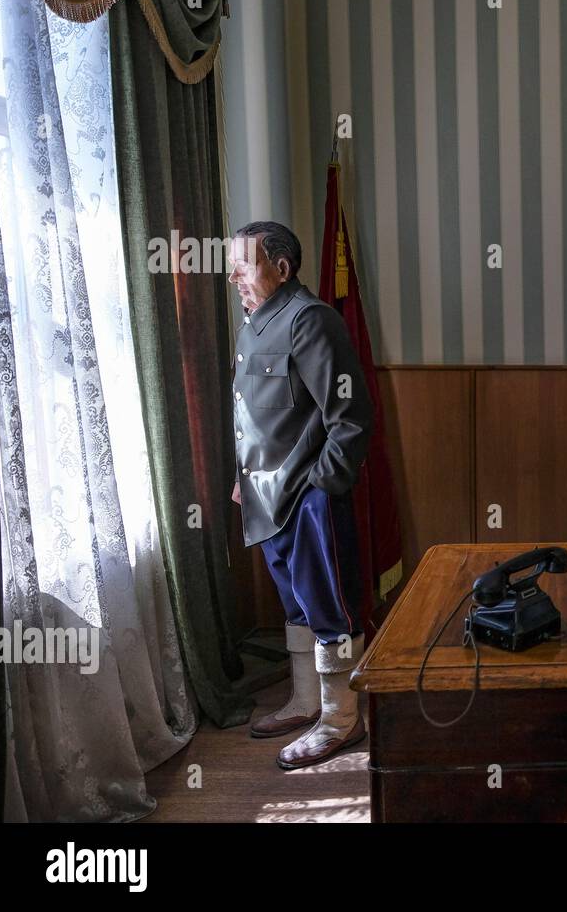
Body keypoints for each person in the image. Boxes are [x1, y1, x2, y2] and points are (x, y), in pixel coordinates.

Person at [227, 221, 374, 769]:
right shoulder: (253, 323)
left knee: (329, 607)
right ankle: (306, 701)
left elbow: (352, 416)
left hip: (308, 498)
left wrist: (322, 488)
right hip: (263, 494)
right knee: (295, 605)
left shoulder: (311, 322)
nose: (234, 276)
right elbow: (252, 415)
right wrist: (244, 477)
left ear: (281, 268)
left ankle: (340, 720)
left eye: (245, 264)